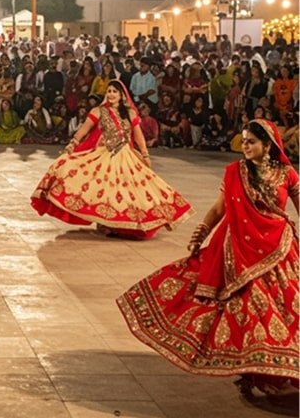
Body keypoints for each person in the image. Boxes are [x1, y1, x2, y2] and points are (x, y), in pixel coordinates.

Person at [117, 120, 299, 401]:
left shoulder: (287, 174)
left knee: (286, 310)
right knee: (252, 312)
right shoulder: (235, 172)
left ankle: (276, 371)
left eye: (251, 141)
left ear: (269, 144)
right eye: (243, 140)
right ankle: (260, 373)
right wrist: (200, 234)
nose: (244, 146)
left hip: (279, 250)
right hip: (239, 250)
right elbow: (218, 209)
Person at [32, 80, 193, 240]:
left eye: (114, 92)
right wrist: (71, 145)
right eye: (109, 91)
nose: (111, 94)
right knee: (105, 191)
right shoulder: (98, 111)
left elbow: (138, 136)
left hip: (127, 157)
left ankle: (125, 225)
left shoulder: (130, 113)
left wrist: (145, 155)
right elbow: (83, 130)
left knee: (130, 192)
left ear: (122, 95)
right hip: (105, 155)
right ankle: (107, 223)